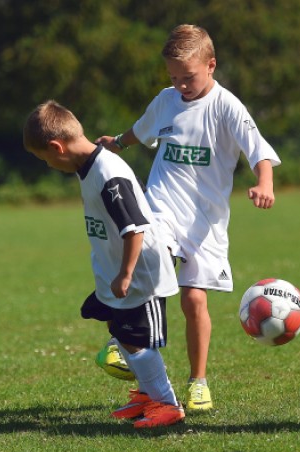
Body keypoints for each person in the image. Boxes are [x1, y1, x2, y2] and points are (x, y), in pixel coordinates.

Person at [96, 24, 281, 411]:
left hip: (206, 222)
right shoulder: (166, 100)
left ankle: (198, 382)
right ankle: (126, 341)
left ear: (211, 65)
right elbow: (140, 131)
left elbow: (259, 151)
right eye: (174, 78)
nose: (180, 85)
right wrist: (117, 143)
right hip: (161, 207)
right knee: (152, 258)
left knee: (194, 300)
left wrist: (265, 183)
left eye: (188, 77)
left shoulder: (226, 106)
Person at [23, 100, 185, 428]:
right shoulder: (88, 166)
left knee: (135, 338)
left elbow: (134, 227)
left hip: (140, 273)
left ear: (57, 146)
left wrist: (125, 273)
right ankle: (148, 396)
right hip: (116, 272)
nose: (49, 166)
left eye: (45, 159)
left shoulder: (108, 173)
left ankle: (167, 404)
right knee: (120, 330)